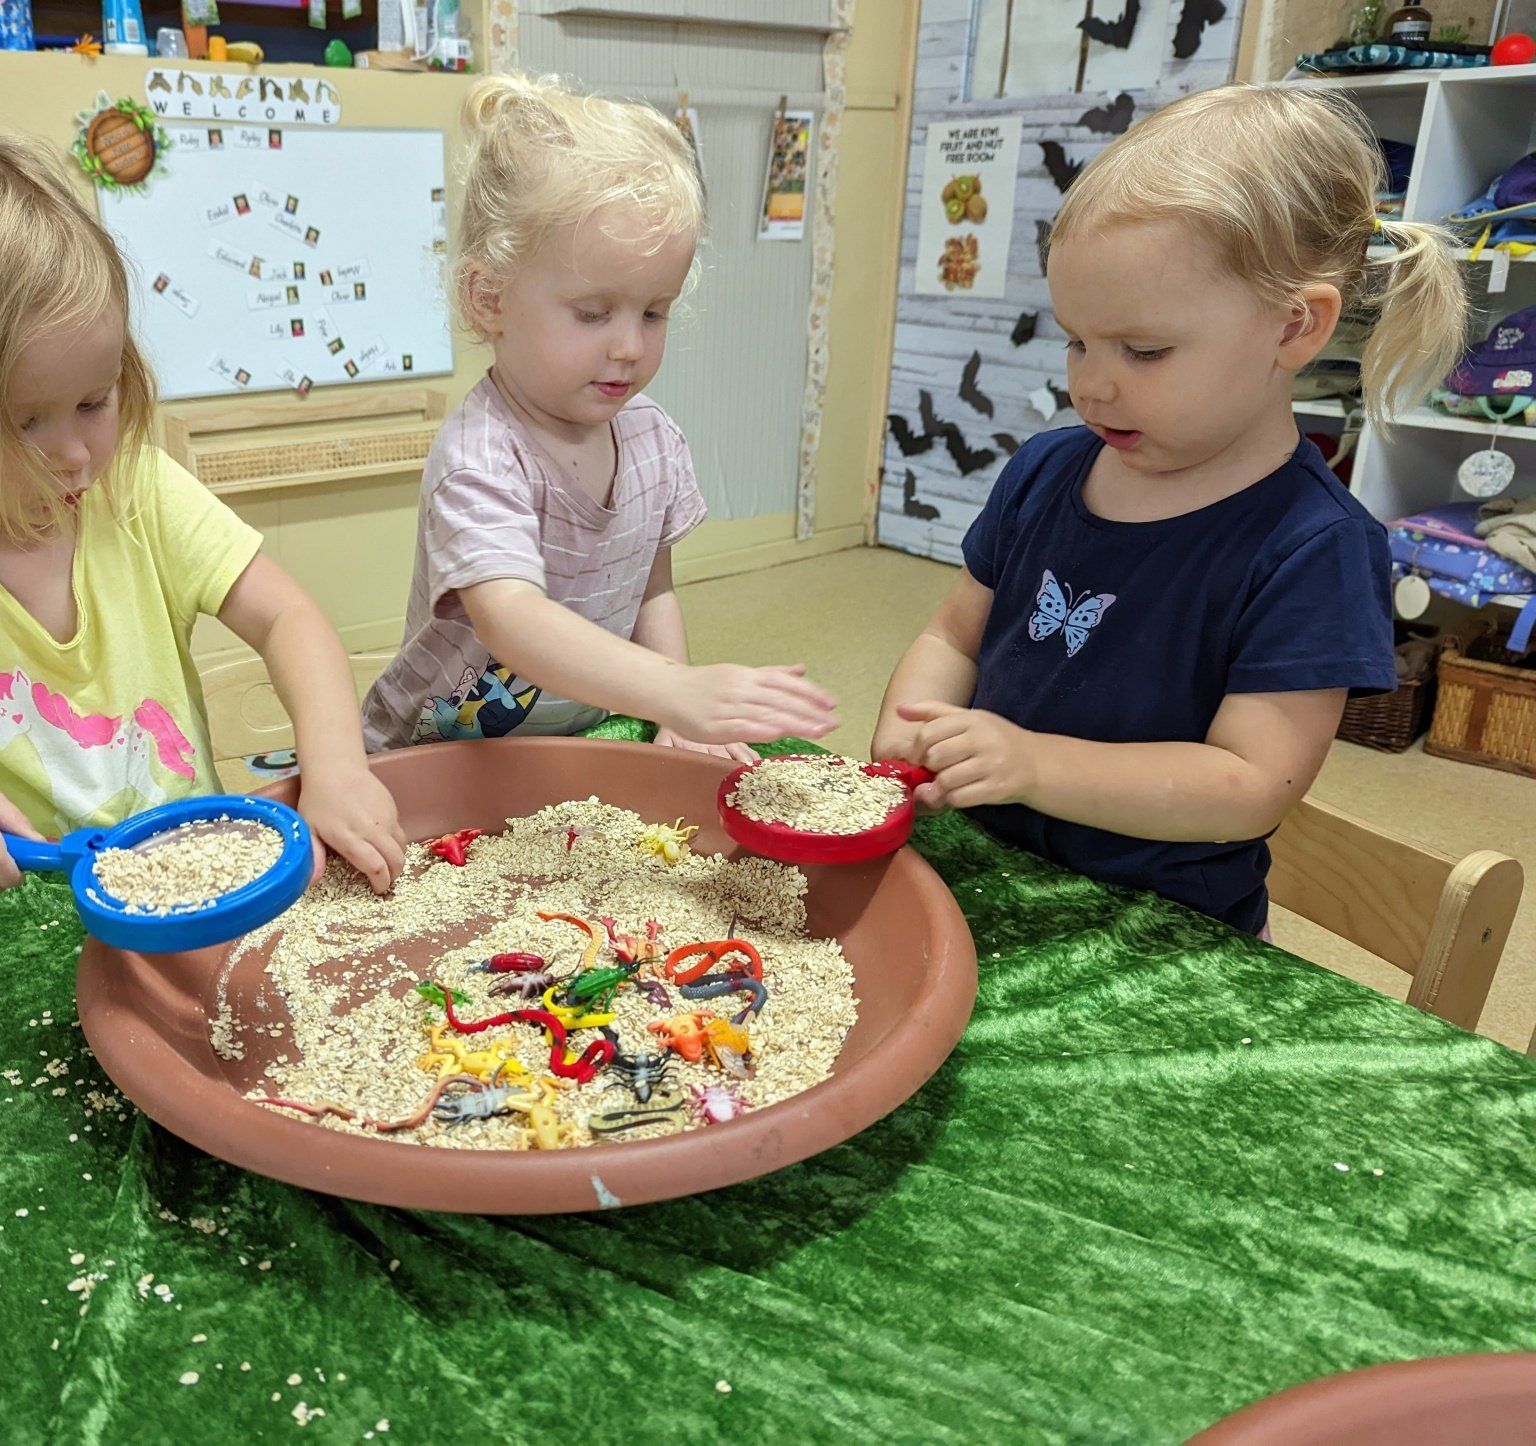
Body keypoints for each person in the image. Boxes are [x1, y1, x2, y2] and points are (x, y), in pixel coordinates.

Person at [872, 85, 1466, 935]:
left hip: (1158, 930)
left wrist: (1032, 763)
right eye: (1077, 339)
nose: (1092, 383)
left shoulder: (1316, 549)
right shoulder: (1046, 469)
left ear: (1295, 327)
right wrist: (910, 724)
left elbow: (1247, 787)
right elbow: (953, 635)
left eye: (1143, 351)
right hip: (987, 868)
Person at [0, 132, 404, 901]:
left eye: (95, 401)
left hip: (192, 894)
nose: (74, 455)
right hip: (8, 924)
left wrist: (334, 766)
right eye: (23, 422)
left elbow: (288, 619)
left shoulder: (136, 488)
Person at [360, 73, 838, 760]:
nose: (630, 346)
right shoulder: (483, 454)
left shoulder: (652, 438)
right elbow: (512, 620)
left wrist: (676, 707)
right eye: (592, 314)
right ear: (488, 298)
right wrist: (674, 690)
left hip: (581, 734)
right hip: (440, 749)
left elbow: (652, 586)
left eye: (653, 312)